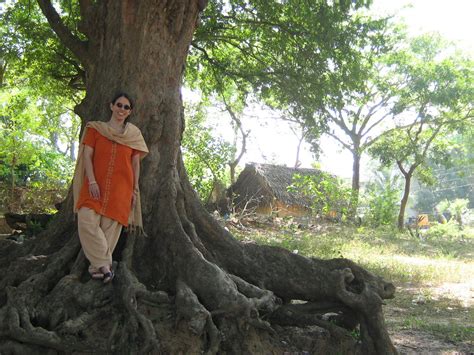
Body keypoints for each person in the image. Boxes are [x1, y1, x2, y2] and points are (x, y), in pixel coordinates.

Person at [72, 93, 149, 283]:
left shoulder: (133, 135)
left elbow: (135, 164)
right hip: (94, 187)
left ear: (130, 112)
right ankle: (106, 266)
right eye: (119, 105)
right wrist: (91, 181)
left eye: (126, 107)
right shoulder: (96, 129)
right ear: (111, 105)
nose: (122, 110)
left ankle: (97, 268)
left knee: (109, 233)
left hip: (121, 190)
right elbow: (87, 157)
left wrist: (134, 191)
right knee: (86, 220)